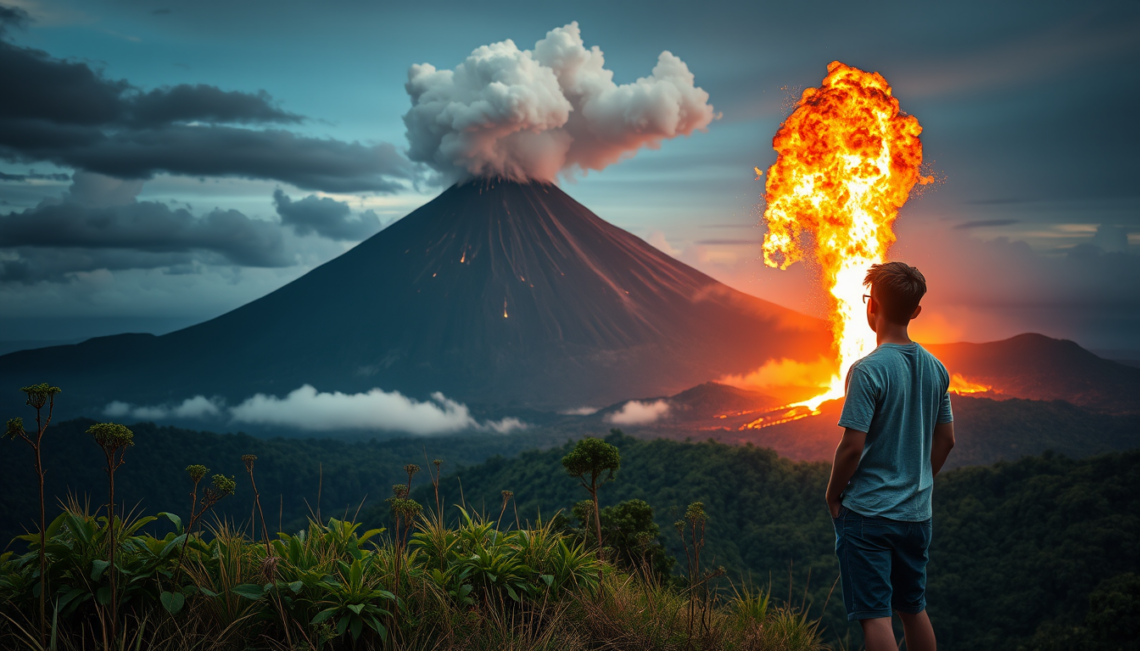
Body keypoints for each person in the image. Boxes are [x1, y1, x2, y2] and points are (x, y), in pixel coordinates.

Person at [825, 261, 956, 651]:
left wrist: (833, 495)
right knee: (913, 609)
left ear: (871, 305)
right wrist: (919, 482)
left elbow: (851, 446)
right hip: (917, 516)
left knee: (874, 617)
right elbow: (946, 440)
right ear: (916, 311)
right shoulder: (937, 369)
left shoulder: (867, 371)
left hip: (869, 514)